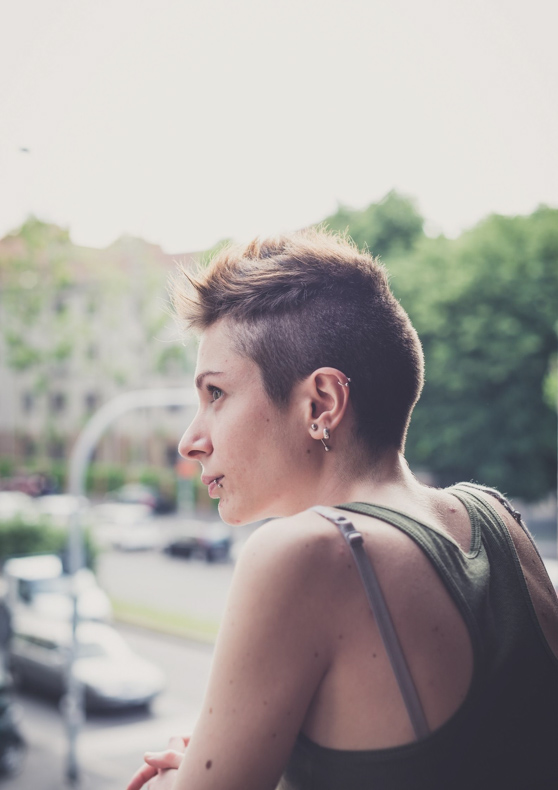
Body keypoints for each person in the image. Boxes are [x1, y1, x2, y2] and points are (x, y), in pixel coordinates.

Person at [127, 229, 558, 790]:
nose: (190, 440)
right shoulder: (497, 520)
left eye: (216, 394)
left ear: (322, 402)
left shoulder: (302, 554)